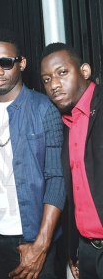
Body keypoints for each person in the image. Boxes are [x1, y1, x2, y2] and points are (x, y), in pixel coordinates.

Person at [0, 29, 66, 279]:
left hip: (35, 237)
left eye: (5, 62)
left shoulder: (44, 108)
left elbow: (57, 180)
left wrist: (41, 245)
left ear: (22, 63)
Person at [41, 42, 103, 279]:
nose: (54, 85)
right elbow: (74, 195)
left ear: (84, 71)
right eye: (46, 79)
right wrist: (75, 248)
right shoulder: (66, 123)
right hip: (86, 250)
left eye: (62, 72)